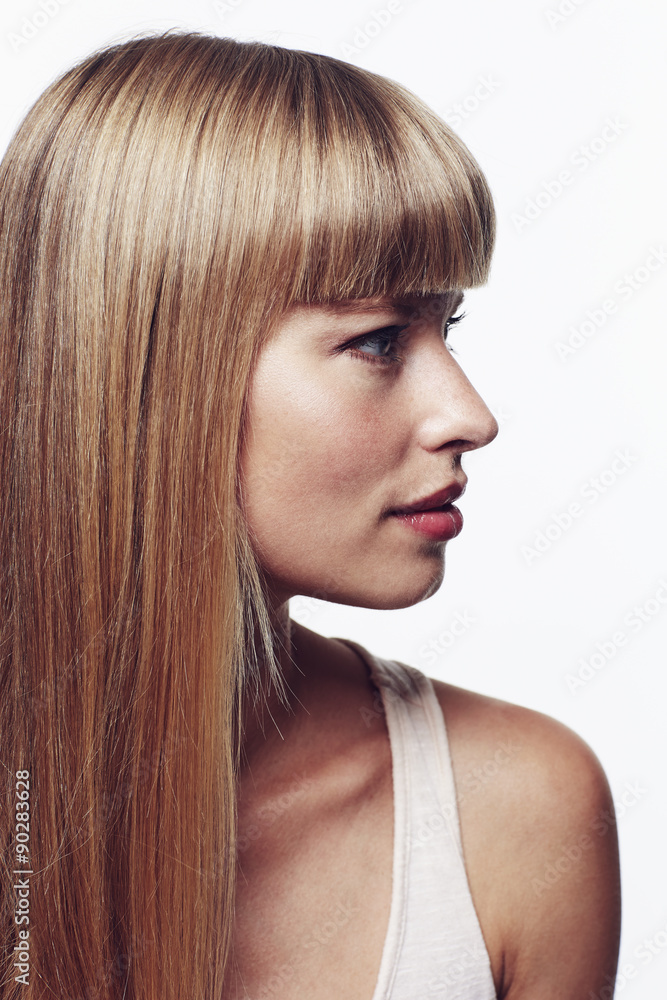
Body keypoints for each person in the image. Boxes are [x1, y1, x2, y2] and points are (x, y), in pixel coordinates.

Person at [0, 29, 621, 1000]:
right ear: (154, 370)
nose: (469, 416)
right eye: (379, 338)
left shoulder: (516, 811)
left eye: (446, 327)